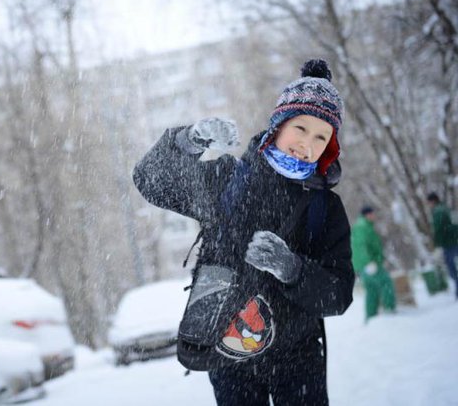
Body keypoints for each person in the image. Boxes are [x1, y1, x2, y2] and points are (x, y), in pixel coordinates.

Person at [133, 59, 354, 406]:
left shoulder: (325, 207)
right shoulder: (229, 180)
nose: (307, 144)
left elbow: (339, 295)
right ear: (278, 124)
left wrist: (291, 268)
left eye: (321, 136)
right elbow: (150, 181)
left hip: (299, 358)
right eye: (300, 128)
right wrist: (189, 140)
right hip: (228, 347)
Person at [350, 206, 396, 321]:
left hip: (365, 265)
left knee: (372, 290)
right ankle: (389, 309)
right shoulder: (362, 227)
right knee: (386, 283)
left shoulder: (365, 226)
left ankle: (371, 317)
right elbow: (360, 247)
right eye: (372, 214)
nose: (374, 216)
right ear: (367, 215)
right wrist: (368, 263)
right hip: (369, 265)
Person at [427, 192, 458, 298]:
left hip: (448, 244)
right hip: (455, 240)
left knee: (452, 270)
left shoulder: (438, 212)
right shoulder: (447, 208)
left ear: (432, 201)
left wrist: (437, 245)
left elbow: (438, 230)